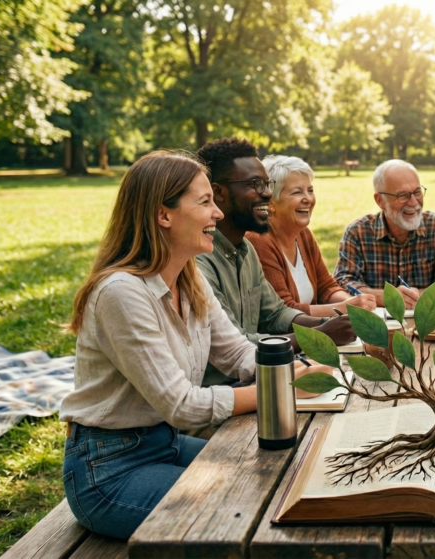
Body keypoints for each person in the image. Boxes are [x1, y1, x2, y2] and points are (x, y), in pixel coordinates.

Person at [60, 151, 331, 539]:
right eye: (204, 202)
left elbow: (237, 353)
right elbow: (182, 405)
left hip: (164, 443)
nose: (217, 213)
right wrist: (280, 387)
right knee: (242, 511)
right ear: (163, 215)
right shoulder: (121, 293)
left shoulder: (189, 277)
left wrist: (298, 369)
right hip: (109, 470)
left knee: (280, 478)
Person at [195, 138, 354, 386]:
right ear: (219, 193)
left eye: (266, 184)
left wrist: (328, 323)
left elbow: (276, 314)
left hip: (259, 378)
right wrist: (318, 334)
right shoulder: (199, 259)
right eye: (255, 184)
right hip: (226, 394)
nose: (268, 193)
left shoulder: (244, 248)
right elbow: (235, 343)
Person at [246, 155, 376, 316]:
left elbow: (326, 287)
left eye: (310, 190)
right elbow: (283, 312)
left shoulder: (303, 235)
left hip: (312, 332)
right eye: (297, 192)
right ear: (271, 203)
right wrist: (344, 308)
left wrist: (355, 302)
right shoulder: (259, 241)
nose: (308, 199)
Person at [333, 159, 435, 308]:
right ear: (380, 201)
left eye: (417, 192)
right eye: (402, 195)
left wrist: (417, 297)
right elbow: (343, 281)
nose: (414, 203)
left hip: (430, 324)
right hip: (376, 326)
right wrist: (389, 297)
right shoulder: (357, 232)